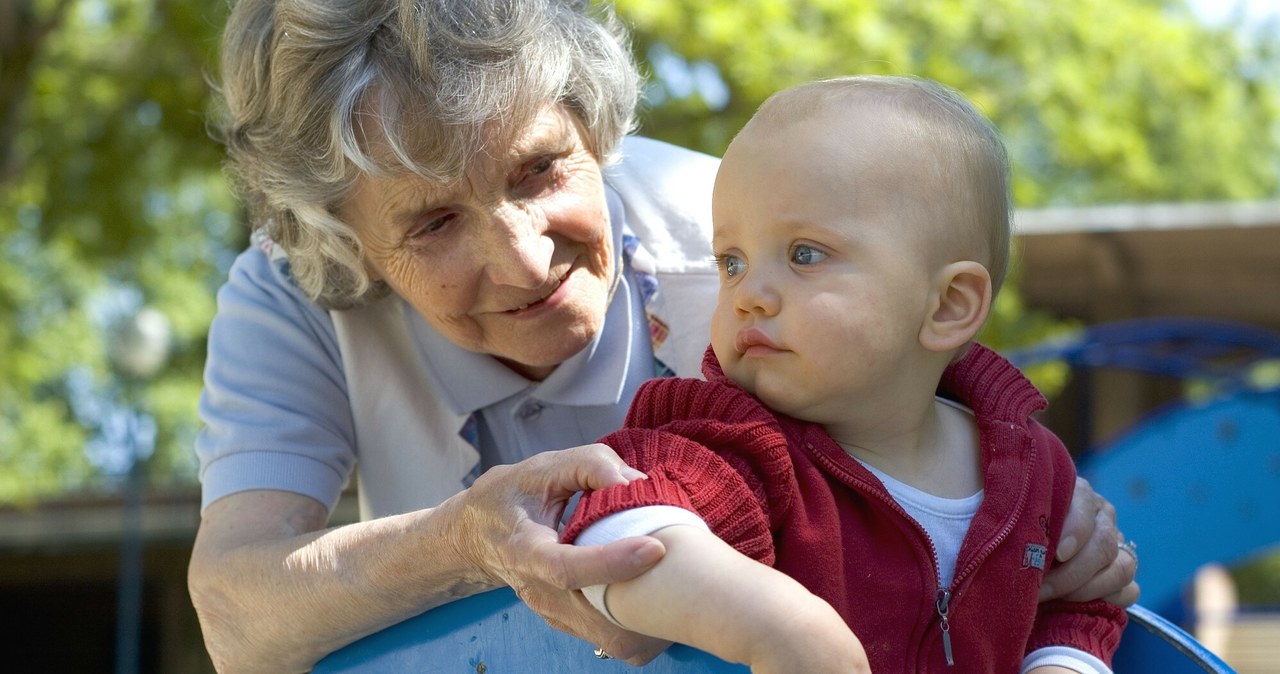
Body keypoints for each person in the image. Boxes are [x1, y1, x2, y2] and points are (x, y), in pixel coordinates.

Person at [187, 1, 1138, 672]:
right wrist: (462, 544)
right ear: (345, 237)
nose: (523, 263)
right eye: (434, 223)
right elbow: (238, 616)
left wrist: (1032, 498)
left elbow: (909, 373)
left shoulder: (739, 235)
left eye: (538, 171)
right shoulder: (296, 291)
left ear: (595, 129)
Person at [562, 75, 1127, 673]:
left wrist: (1064, 664)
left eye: (805, 254)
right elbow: (613, 531)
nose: (749, 294)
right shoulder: (737, 447)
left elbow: (1078, 603)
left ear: (948, 305)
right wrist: (776, 625)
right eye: (732, 262)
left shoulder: (1029, 469)